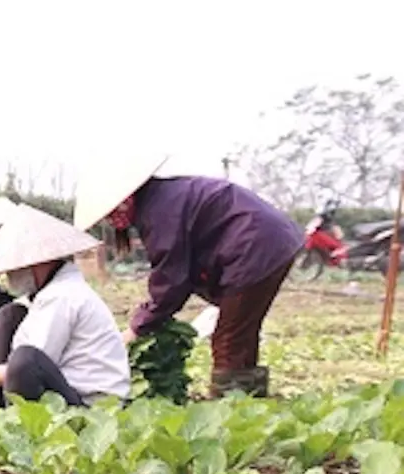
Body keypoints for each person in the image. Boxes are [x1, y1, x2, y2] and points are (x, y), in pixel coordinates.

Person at [74, 158, 302, 398]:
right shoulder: (162, 197)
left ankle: (231, 409)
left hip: (254, 246)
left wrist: (138, 327)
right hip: (271, 241)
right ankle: (249, 400)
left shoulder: (160, 209)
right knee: (242, 330)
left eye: (112, 210)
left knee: (228, 338)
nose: (111, 219)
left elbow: (171, 277)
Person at [0, 204, 130, 407]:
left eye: (14, 268)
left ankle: (10, 416)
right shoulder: (49, 289)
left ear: (36, 263)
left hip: (93, 407)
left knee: (25, 358)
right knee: (9, 315)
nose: (9, 275)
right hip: (68, 389)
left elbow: (22, 369)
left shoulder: (62, 296)